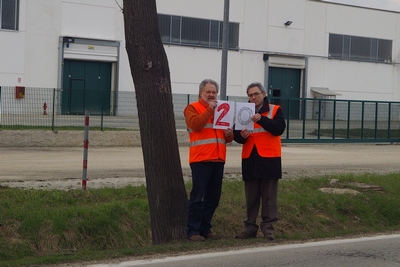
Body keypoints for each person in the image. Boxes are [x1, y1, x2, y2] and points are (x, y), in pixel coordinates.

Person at [233, 82, 286, 240]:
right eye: (250, 95)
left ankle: (268, 229)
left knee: (269, 198)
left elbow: (278, 128)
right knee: (251, 197)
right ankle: (249, 228)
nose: (253, 97)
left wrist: (261, 119)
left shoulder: (275, 110)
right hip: (250, 159)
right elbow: (237, 135)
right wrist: (240, 136)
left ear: (263, 94)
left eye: (256, 94)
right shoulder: (244, 111)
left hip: (269, 160)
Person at [184, 79, 233, 242]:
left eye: (214, 92)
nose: (212, 95)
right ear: (201, 93)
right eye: (208, 92)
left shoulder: (221, 110)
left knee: (213, 197)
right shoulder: (192, 108)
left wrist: (229, 134)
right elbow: (196, 125)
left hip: (218, 159)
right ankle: (192, 231)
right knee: (197, 197)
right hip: (201, 159)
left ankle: (205, 228)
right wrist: (210, 110)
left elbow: (225, 138)